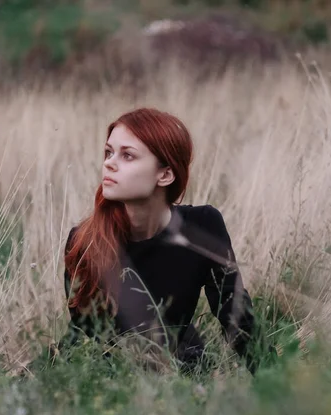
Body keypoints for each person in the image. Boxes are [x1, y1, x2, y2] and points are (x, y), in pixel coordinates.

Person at [58, 107, 264, 375]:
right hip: (109, 377)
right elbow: (87, 337)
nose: (109, 163)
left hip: (181, 368)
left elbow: (237, 317)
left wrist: (275, 387)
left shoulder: (202, 226)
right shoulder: (85, 241)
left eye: (127, 155)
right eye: (108, 152)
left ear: (165, 175)